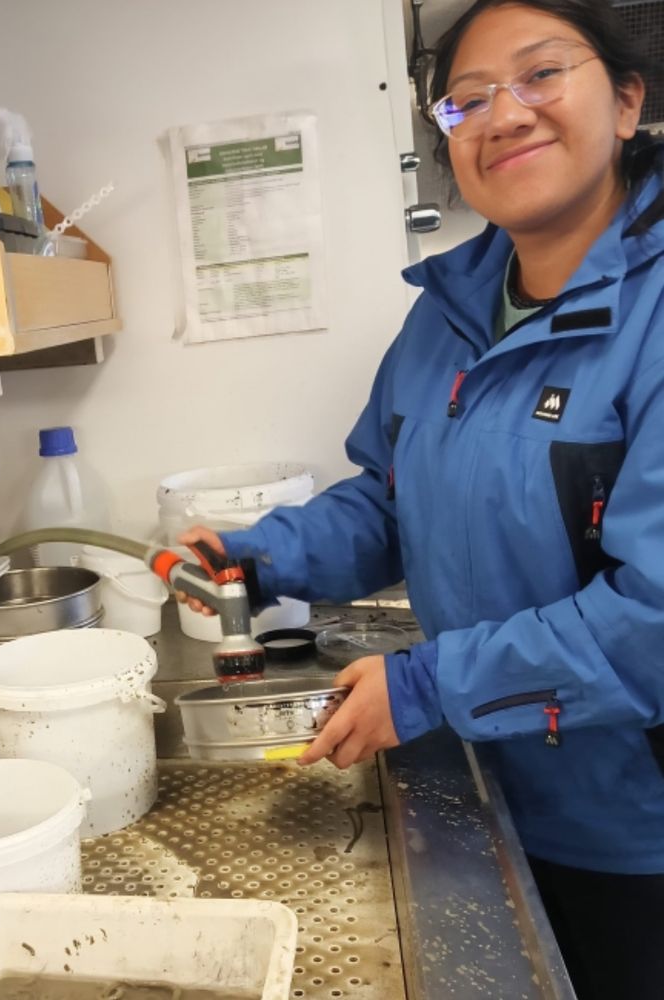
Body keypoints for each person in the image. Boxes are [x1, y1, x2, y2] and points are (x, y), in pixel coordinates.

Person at [178, 2, 664, 997]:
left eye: (539, 76)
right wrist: (261, 555)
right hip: (489, 786)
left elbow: (653, 618)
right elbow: (391, 505)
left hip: (633, 834)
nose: (503, 114)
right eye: (466, 99)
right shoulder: (445, 315)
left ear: (624, 101)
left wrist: (426, 686)